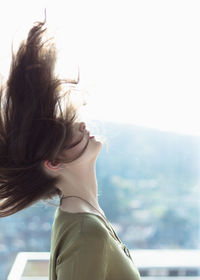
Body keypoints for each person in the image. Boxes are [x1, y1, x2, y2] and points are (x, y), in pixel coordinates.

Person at [0, 12, 141, 280]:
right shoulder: (86, 231)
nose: (81, 126)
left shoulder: (79, 214)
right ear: (53, 162)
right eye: (66, 131)